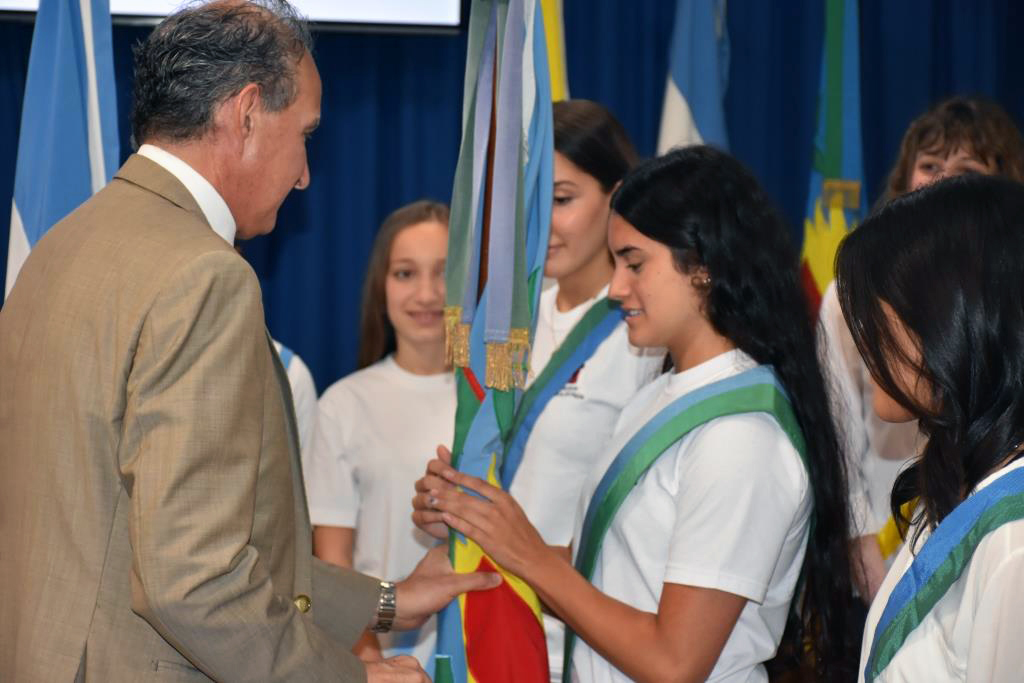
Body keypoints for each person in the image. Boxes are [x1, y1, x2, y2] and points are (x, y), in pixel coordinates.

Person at [0, 2, 496, 682]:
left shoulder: (59, 245)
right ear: (247, 113)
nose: (304, 176)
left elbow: (128, 528)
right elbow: (192, 577)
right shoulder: (204, 276)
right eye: (305, 137)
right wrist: (346, 677)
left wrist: (385, 600)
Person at [416, 146, 857, 681]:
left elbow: (674, 663)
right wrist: (479, 528)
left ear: (704, 267)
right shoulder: (661, 394)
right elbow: (601, 576)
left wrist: (525, 554)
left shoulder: (742, 436)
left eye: (634, 263)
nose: (617, 288)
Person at [418, 99, 664, 681]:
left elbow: (647, 533)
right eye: (527, 203)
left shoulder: (648, 334)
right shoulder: (503, 326)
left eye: (560, 200)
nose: (540, 223)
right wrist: (451, 510)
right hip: (483, 626)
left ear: (618, 194)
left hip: (578, 648)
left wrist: (508, 547)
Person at [818, 96, 1024, 601]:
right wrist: (859, 536)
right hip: (899, 527)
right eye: (929, 165)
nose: (940, 181)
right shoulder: (853, 292)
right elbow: (835, 419)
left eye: (965, 168)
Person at [833, 174, 1024, 682]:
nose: (860, 336)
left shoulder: (1014, 541)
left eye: (880, 310)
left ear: (950, 318)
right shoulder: (956, 475)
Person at [305, 200, 453, 670]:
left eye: (445, 272)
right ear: (381, 286)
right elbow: (333, 570)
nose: (426, 294)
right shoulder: (343, 406)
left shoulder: (503, 403)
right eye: (406, 274)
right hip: (386, 660)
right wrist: (373, 666)